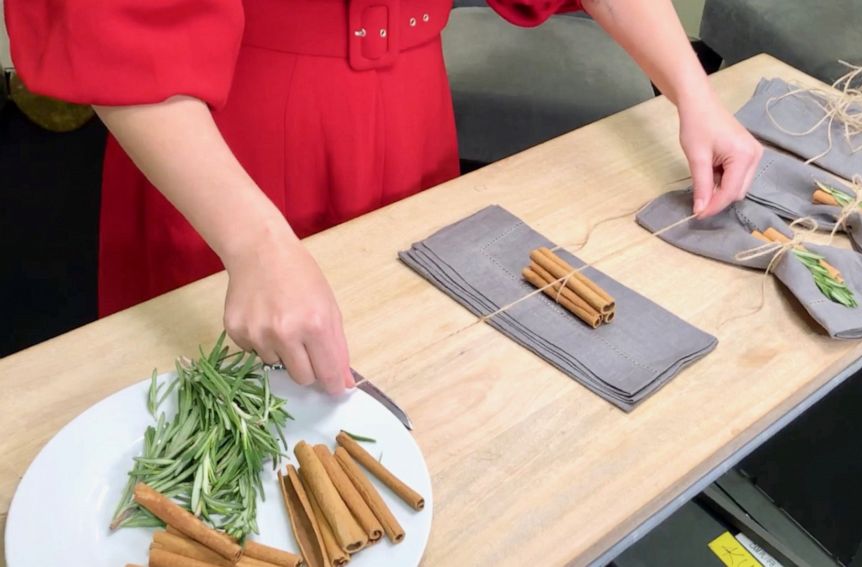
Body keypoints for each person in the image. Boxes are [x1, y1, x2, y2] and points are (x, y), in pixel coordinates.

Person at [6, 0, 762, 393]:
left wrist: (689, 91)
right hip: (223, 149)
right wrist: (255, 242)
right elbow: (113, 23)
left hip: (410, 129)